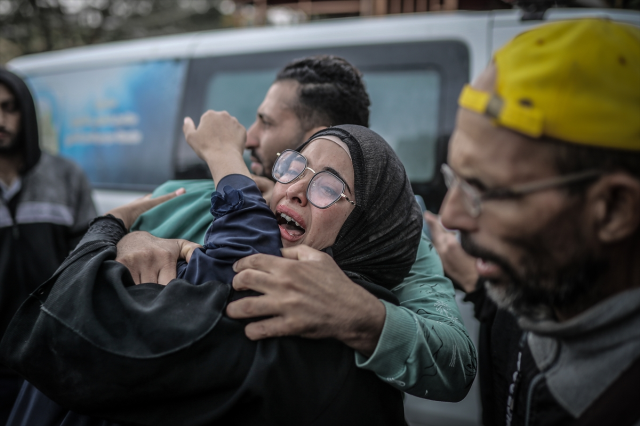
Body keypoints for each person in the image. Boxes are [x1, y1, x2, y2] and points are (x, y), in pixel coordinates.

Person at [1, 119, 424, 425]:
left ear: (371, 227)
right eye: (295, 167)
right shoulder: (346, 306)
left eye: (329, 187)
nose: (294, 188)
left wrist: (109, 227)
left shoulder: (294, 317)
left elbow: (63, 323)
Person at [127, 55, 477, 396]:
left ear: (319, 134)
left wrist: (359, 314)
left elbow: (456, 366)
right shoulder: (185, 197)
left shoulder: (389, 234)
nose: (249, 138)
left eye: (266, 122)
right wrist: (121, 237)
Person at [426, 19, 640, 425]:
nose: (452, 215)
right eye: (454, 178)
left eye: (481, 189)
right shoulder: (550, 290)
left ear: (614, 209)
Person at [0, 68, 96, 422]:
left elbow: (90, 257)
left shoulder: (67, 177)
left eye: (10, 107)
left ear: (26, 112)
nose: (1, 119)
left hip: (52, 355)